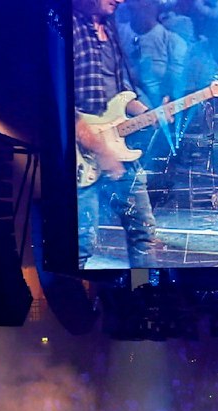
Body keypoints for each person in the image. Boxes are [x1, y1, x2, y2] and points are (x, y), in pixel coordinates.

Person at [75, 0, 159, 268]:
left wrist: (149, 113)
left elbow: (122, 91)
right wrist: (100, 150)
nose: (121, 0)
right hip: (81, 157)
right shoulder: (69, 29)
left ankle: (142, 293)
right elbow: (61, 106)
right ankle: (83, 307)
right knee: (80, 244)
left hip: (119, 150)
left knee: (143, 235)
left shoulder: (112, 31)